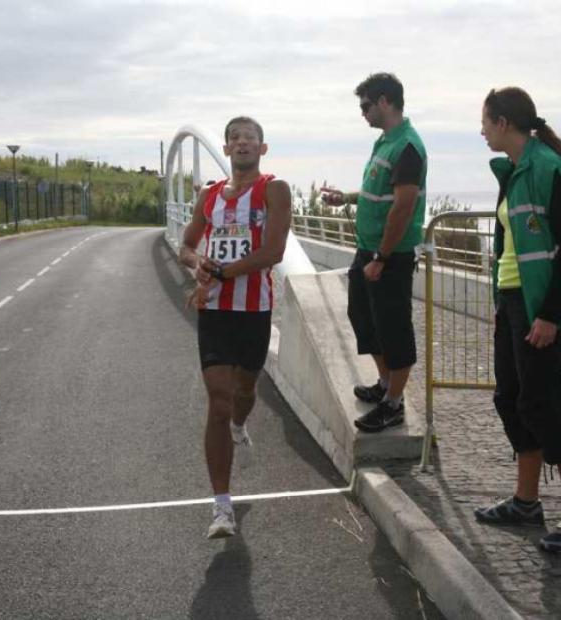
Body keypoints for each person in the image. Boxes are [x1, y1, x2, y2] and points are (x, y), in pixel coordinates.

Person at [472, 87, 561, 554]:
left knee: (545, 402)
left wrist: (548, 315)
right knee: (512, 397)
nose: (481, 130)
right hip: (513, 300)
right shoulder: (513, 172)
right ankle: (527, 502)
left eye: (485, 121)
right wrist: (502, 305)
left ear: (503, 122)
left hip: (537, 305)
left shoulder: (548, 169)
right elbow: (511, 248)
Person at [178, 117, 292, 538]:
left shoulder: (273, 190)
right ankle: (221, 507)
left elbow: (274, 251)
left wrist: (225, 272)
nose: (242, 143)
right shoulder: (209, 196)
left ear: (262, 149)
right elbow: (186, 246)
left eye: (250, 139)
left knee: (244, 393)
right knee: (219, 401)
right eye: (235, 139)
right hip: (216, 313)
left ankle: (241, 427)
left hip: (254, 310)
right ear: (225, 149)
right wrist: (197, 265)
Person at [319, 72, 427, 433]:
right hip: (368, 251)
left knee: (394, 328)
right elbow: (379, 193)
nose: (362, 113)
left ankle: (394, 403)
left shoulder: (407, 146)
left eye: (365, 105)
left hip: (390, 256)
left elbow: (403, 207)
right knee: (363, 318)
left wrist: (381, 257)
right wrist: (346, 199)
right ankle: (384, 385)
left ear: (384, 101)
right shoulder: (385, 142)